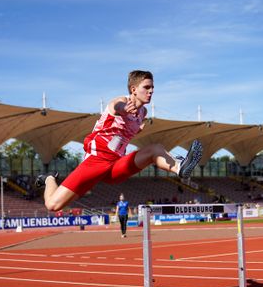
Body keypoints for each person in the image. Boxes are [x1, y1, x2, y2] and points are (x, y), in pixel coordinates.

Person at [35, 70, 203, 211]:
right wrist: (123, 110)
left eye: (152, 88)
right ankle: (49, 177)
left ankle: (180, 167)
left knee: (154, 149)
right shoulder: (122, 101)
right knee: (53, 205)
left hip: (115, 165)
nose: (151, 91)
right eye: (147, 87)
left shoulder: (143, 113)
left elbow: (123, 133)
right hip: (96, 161)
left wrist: (136, 129)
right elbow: (116, 106)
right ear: (133, 89)